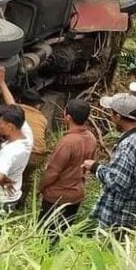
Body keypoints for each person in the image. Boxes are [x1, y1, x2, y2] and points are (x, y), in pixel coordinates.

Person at [83, 93, 136, 238]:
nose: (110, 118)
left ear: (117, 116)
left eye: (111, 114)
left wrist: (95, 167)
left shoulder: (128, 145)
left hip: (121, 215)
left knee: (110, 252)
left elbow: (118, 182)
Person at [39, 99, 97, 243]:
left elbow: (53, 172)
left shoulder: (67, 142)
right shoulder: (91, 138)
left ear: (68, 117)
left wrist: (40, 187)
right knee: (62, 233)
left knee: (45, 236)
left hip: (57, 196)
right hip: (76, 194)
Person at [0, 66, 48, 206]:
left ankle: (3, 201)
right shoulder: (42, 118)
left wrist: (1, 82)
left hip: (26, 152)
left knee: (9, 173)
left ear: (21, 101)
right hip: (39, 155)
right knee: (26, 178)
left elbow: (10, 100)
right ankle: (20, 203)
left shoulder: (19, 112)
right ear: (38, 106)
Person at [0, 106, 33, 219]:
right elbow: (15, 109)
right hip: (11, 197)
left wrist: (5, 183)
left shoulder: (10, 152)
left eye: (0, 122)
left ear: (10, 127)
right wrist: (3, 87)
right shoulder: (28, 138)